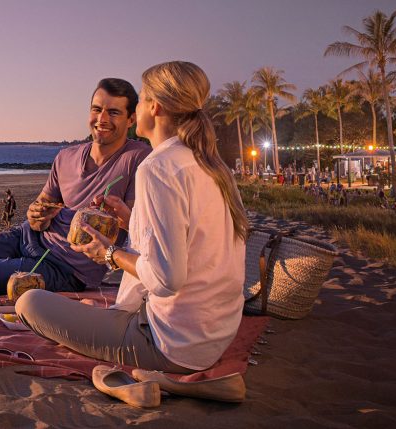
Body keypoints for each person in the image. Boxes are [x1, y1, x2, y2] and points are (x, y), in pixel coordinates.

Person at [17, 61, 249, 374]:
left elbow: (167, 279)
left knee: (29, 303)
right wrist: (131, 220)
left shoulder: (157, 168)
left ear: (155, 107)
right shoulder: (208, 163)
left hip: (171, 344)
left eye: (140, 99)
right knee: (87, 309)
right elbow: (188, 240)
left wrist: (109, 254)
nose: (136, 107)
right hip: (212, 335)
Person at [0, 77, 151, 297]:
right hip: (28, 236)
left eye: (114, 112)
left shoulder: (137, 158)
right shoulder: (65, 156)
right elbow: (41, 206)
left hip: (66, 267)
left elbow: (136, 226)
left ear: (131, 120)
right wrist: (37, 214)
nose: (102, 118)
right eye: (96, 109)